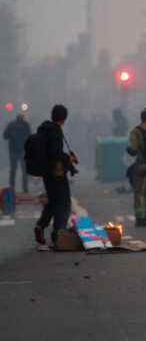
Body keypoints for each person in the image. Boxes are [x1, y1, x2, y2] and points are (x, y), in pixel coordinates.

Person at [34, 105, 78, 246]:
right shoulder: (55, 131)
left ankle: (40, 226)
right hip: (56, 173)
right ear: (64, 117)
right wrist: (68, 159)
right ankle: (58, 234)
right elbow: (55, 154)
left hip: (47, 172)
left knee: (53, 201)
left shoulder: (45, 129)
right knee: (63, 203)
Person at [4, 113, 31, 193]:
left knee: (14, 170)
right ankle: (24, 189)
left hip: (15, 151)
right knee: (24, 171)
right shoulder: (25, 125)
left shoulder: (12, 125)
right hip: (21, 151)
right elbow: (29, 137)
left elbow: (5, 136)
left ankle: (12, 189)